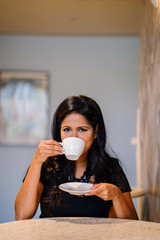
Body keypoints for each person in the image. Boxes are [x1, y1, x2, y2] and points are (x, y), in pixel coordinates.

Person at [15, 95, 138, 220]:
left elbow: (132, 224)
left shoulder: (110, 167)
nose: (73, 137)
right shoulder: (46, 164)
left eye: (82, 130)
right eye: (67, 129)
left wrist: (117, 195)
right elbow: (21, 215)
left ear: (95, 132)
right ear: (59, 132)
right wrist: (37, 161)